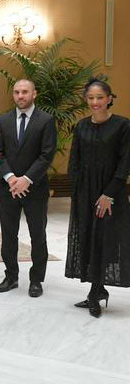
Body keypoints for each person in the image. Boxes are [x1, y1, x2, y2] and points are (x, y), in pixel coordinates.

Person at [65, 78, 130, 318]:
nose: (95, 102)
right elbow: (75, 161)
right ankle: (97, 288)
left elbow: (125, 164)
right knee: (88, 239)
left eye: (100, 97)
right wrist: (79, 191)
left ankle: (95, 293)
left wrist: (109, 194)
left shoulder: (123, 126)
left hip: (110, 194)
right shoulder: (81, 126)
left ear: (110, 98)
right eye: (91, 98)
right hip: (85, 193)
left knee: (105, 240)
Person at [0, 79, 57, 297]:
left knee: (37, 235)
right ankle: (10, 276)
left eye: (25, 92)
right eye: (17, 92)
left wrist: (26, 179)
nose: (20, 96)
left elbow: (46, 154)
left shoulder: (46, 121)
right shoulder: (3, 120)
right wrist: (11, 178)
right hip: (8, 188)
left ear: (34, 94)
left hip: (35, 188)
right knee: (8, 235)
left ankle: (36, 280)